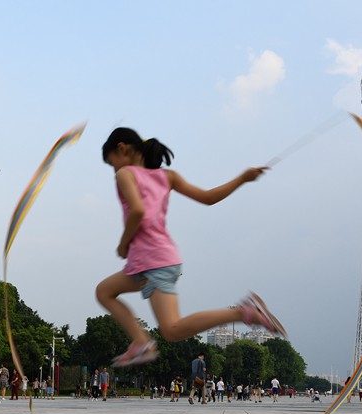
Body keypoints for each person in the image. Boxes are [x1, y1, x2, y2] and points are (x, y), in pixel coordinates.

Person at [96, 128, 285, 368]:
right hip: (153, 261)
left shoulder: (125, 175)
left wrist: (123, 244)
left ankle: (242, 313)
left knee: (172, 330)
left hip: (152, 261)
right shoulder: (168, 177)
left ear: (121, 148)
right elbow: (208, 197)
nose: (114, 169)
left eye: (112, 162)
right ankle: (140, 341)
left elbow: (138, 211)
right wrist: (242, 178)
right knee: (104, 291)